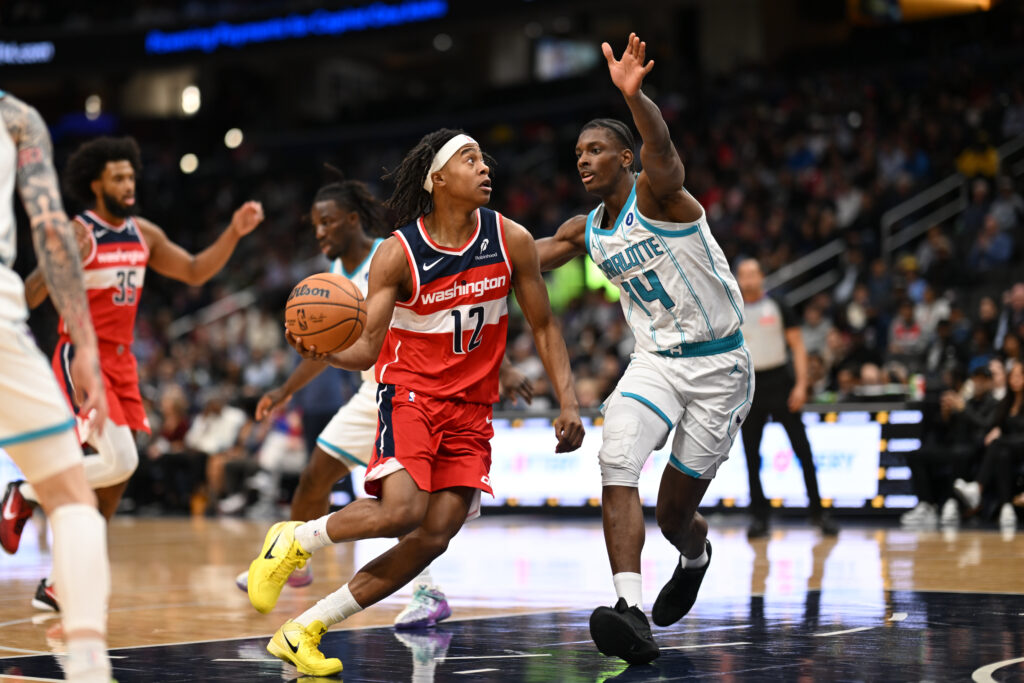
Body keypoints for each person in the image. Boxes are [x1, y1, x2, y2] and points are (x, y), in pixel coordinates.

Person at [244, 129, 584, 676]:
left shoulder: (510, 238)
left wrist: (569, 402)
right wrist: (322, 351)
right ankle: (296, 538)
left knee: (434, 536)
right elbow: (366, 349)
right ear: (437, 179)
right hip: (412, 396)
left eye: (483, 159)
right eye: (469, 159)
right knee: (401, 511)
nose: (484, 167)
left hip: (472, 410)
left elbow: (544, 326)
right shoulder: (398, 253)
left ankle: (304, 628)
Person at [534, 34, 752, 664]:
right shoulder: (584, 230)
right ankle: (629, 611)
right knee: (617, 460)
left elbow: (664, 152)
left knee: (674, 515)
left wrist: (635, 98)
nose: (583, 159)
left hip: (719, 364)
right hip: (655, 362)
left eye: (596, 149)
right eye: (578, 153)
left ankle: (694, 556)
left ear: (626, 157)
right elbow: (522, 259)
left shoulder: (660, 195)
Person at [236, 173, 532, 630]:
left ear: (352, 220)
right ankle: (293, 561)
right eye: (315, 225)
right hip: (373, 392)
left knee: (406, 505)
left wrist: (504, 366)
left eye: (327, 222)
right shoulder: (333, 279)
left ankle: (424, 590)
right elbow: (330, 347)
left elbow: (464, 305)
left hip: (412, 388)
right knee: (318, 475)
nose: (320, 232)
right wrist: (284, 390)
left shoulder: (394, 253)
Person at [0, 136, 264, 610]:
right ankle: (23, 492)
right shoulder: (78, 230)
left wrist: (234, 232)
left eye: (131, 176)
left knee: (112, 485)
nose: (128, 184)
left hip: (122, 362)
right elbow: (32, 295)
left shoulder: (144, 233)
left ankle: (57, 585)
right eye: (118, 177)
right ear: (95, 183)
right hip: (81, 356)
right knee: (122, 461)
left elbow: (195, 270)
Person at [0, 89, 112, 682]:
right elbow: (51, 229)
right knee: (71, 500)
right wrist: (86, 347)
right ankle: (89, 662)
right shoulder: (16, 118)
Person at [734, 259, 838, 539]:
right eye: (743, 274)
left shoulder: (778, 305)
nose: (749, 279)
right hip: (749, 386)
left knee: (803, 449)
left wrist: (801, 385)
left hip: (780, 381)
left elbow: (798, 346)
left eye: (753, 273)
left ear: (762, 276)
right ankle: (759, 518)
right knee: (751, 455)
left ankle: (818, 513)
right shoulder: (732, 308)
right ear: (738, 279)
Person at [901, 364, 996, 527]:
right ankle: (926, 504)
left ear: (990, 382)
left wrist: (964, 409)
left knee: (960, 454)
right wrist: (946, 415)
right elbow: (947, 431)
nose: (979, 383)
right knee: (916, 455)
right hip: (953, 447)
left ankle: (952, 503)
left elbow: (986, 425)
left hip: (978, 450)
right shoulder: (965, 401)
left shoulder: (994, 403)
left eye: (983, 379)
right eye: (976, 379)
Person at [954, 361, 1024, 529]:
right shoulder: (1006, 402)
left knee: (997, 444)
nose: (1015, 379)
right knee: (1002, 454)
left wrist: (1000, 436)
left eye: (1019, 375)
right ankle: (1006, 507)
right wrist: (997, 429)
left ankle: (977, 488)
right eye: (1012, 375)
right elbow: (993, 424)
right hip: (1010, 450)